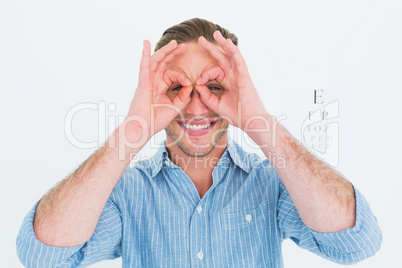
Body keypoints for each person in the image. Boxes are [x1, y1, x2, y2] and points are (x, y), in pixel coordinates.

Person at [16, 18, 381, 267]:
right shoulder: (127, 192)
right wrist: (133, 129)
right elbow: (41, 255)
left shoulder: (271, 182)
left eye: (214, 88)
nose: (195, 105)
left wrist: (259, 122)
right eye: (176, 88)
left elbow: (356, 242)